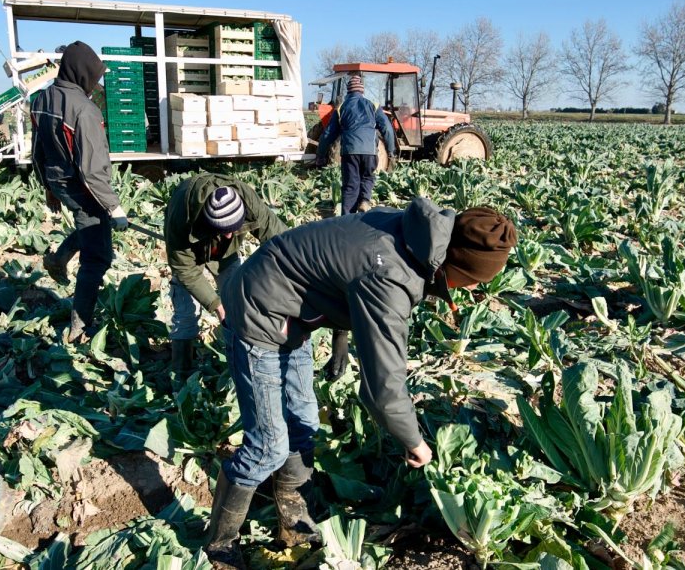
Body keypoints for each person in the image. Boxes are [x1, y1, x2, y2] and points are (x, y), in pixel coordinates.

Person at [204, 199, 518, 566]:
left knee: (303, 422)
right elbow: (383, 388)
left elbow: (339, 265)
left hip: (292, 311)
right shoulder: (392, 276)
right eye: (475, 281)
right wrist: (413, 441)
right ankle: (219, 544)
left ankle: (294, 522)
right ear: (457, 264)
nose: (470, 289)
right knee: (267, 447)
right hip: (258, 310)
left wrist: (339, 335)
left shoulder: (417, 235)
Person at [31, 41, 129, 340]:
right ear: (81, 73)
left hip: (60, 182)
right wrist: (114, 207)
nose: (96, 82)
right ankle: (80, 326)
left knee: (91, 230)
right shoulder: (84, 111)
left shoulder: (42, 98)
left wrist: (48, 186)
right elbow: (91, 170)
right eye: (94, 76)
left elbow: (37, 150)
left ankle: (58, 259)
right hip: (84, 189)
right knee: (97, 257)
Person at [161, 175, 287, 376]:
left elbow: (282, 241)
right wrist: (216, 305)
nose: (229, 236)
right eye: (223, 230)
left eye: (234, 229)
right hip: (187, 252)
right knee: (185, 313)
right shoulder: (181, 215)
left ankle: (238, 360)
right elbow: (184, 269)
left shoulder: (249, 201)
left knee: (238, 302)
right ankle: (181, 374)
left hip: (225, 256)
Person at [315, 75, 397, 215]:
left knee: (350, 185)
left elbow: (328, 133)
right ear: (362, 91)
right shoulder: (373, 106)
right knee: (367, 177)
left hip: (350, 151)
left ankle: (347, 219)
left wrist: (321, 155)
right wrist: (391, 151)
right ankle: (365, 201)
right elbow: (387, 129)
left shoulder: (341, 108)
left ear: (348, 92)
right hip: (369, 151)